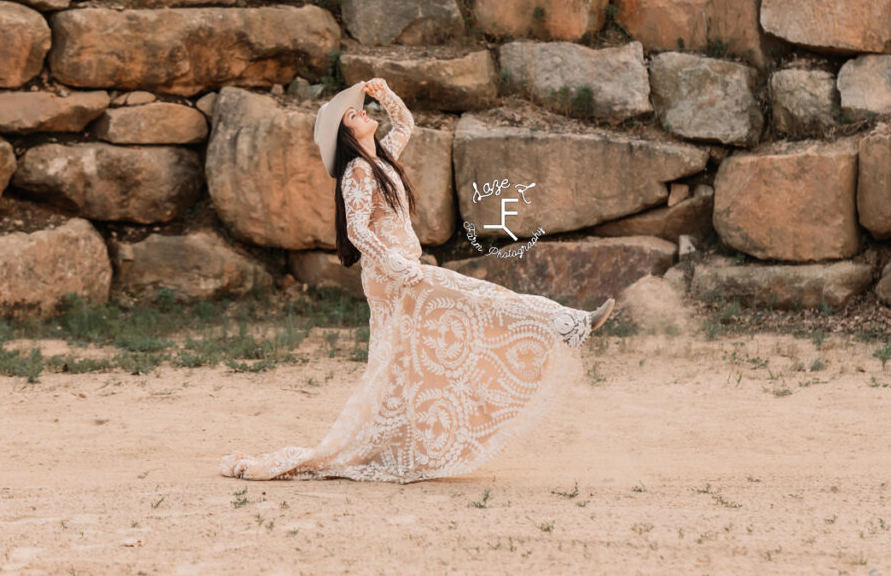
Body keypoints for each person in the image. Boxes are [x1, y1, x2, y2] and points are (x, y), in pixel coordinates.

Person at [219, 78, 615, 483]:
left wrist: (385, 93)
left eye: (360, 109)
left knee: (406, 358)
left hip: (401, 267)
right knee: (473, 298)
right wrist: (392, 262)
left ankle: (413, 445)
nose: (364, 113)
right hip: (392, 275)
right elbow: (357, 231)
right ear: (346, 135)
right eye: (354, 115)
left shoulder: (381, 158)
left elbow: (405, 124)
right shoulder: (357, 170)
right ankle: (566, 322)